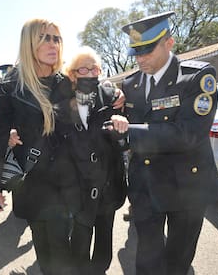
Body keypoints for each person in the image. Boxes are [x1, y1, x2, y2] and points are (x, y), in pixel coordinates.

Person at [121, 12, 218, 275]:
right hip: (145, 187)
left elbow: (188, 134)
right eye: (136, 52)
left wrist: (128, 130)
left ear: (169, 43)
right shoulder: (130, 84)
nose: (140, 58)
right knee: (146, 260)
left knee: (178, 260)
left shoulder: (196, 78)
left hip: (186, 187)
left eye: (147, 50)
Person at [0, 18, 79, 275]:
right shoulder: (8, 88)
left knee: (60, 248)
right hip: (31, 180)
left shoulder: (68, 83)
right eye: (45, 38)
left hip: (65, 181)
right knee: (42, 244)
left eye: (56, 38)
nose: (53, 44)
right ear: (29, 44)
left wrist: (116, 97)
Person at [62, 46, 128, 275]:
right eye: (84, 68)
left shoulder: (111, 96)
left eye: (95, 68)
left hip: (107, 181)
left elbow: (127, 140)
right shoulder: (62, 101)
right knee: (79, 238)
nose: (91, 73)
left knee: (104, 237)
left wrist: (121, 129)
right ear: (72, 73)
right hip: (77, 185)